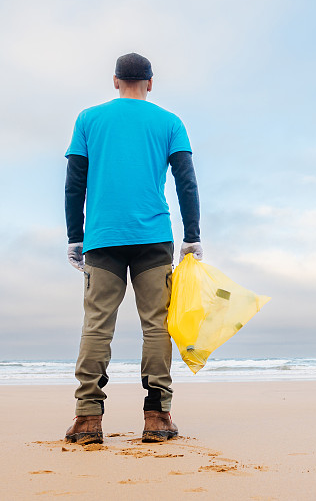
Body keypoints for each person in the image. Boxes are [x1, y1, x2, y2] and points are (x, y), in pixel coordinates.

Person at [62, 52, 202, 445]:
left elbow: (75, 182)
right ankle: (157, 416)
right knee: (157, 325)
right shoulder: (169, 122)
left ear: (115, 80)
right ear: (150, 83)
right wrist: (192, 234)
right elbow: (186, 181)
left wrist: (76, 236)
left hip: (102, 238)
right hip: (153, 238)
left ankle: (88, 419)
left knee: (96, 326)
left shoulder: (88, 119)